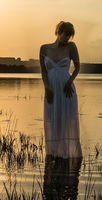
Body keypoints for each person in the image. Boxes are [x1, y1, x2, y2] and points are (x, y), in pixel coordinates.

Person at [39, 21, 82, 158]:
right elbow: (43, 72)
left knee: (66, 119)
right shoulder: (44, 48)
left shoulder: (71, 47)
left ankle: (66, 153)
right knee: (52, 119)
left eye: (70, 36)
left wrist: (69, 82)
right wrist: (47, 88)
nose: (67, 38)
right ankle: (53, 153)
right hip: (51, 88)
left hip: (66, 89)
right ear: (58, 31)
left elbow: (77, 67)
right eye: (66, 34)